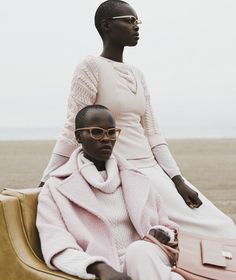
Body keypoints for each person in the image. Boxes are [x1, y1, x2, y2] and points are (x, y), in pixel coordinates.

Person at [40, 0, 236, 238]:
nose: (136, 27)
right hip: (124, 169)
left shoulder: (137, 74)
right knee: (198, 233)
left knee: (220, 225)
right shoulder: (90, 67)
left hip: (152, 167)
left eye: (137, 21)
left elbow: (152, 133)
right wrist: (46, 179)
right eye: (129, 20)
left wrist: (177, 179)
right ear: (106, 25)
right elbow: (73, 127)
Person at [37, 105, 202, 280]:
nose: (106, 138)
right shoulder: (55, 188)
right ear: (79, 136)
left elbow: (168, 226)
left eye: (111, 132)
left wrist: (160, 232)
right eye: (96, 132)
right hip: (107, 265)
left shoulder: (137, 178)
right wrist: (100, 267)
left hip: (150, 257)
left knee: (140, 250)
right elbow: (56, 245)